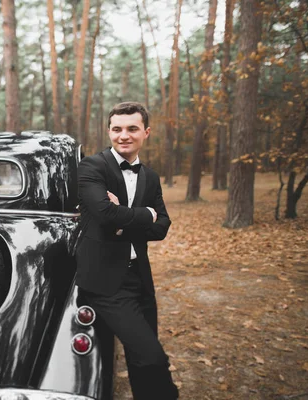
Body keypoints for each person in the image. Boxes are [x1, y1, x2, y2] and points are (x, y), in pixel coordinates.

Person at [75, 102, 179, 399]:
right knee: (152, 356)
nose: (124, 135)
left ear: (145, 132)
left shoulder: (150, 176)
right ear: (109, 131)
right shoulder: (92, 166)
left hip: (141, 280)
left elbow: (163, 228)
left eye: (132, 129)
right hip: (106, 284)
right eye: (117, 129)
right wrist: (145, 214)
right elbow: (106, 215)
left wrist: (123, 217)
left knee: (139, 359)